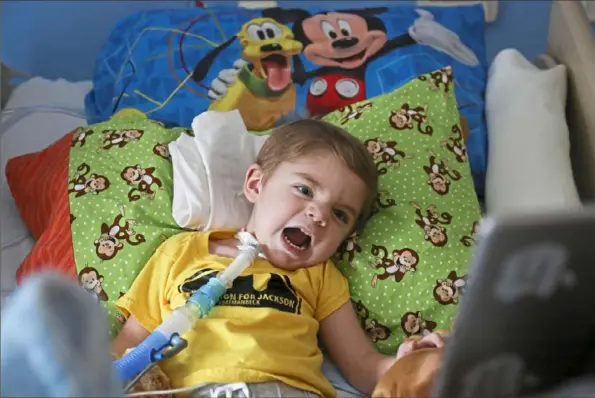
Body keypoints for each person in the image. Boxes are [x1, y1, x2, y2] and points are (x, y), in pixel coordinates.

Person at [112, 119, 446, 397]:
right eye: (305, 189)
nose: (318, 215)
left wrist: (409, 363)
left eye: (340, 214)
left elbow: (363, 366)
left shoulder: (320, 276)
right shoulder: (182, 252)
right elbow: (129, 345)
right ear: (256, 184)